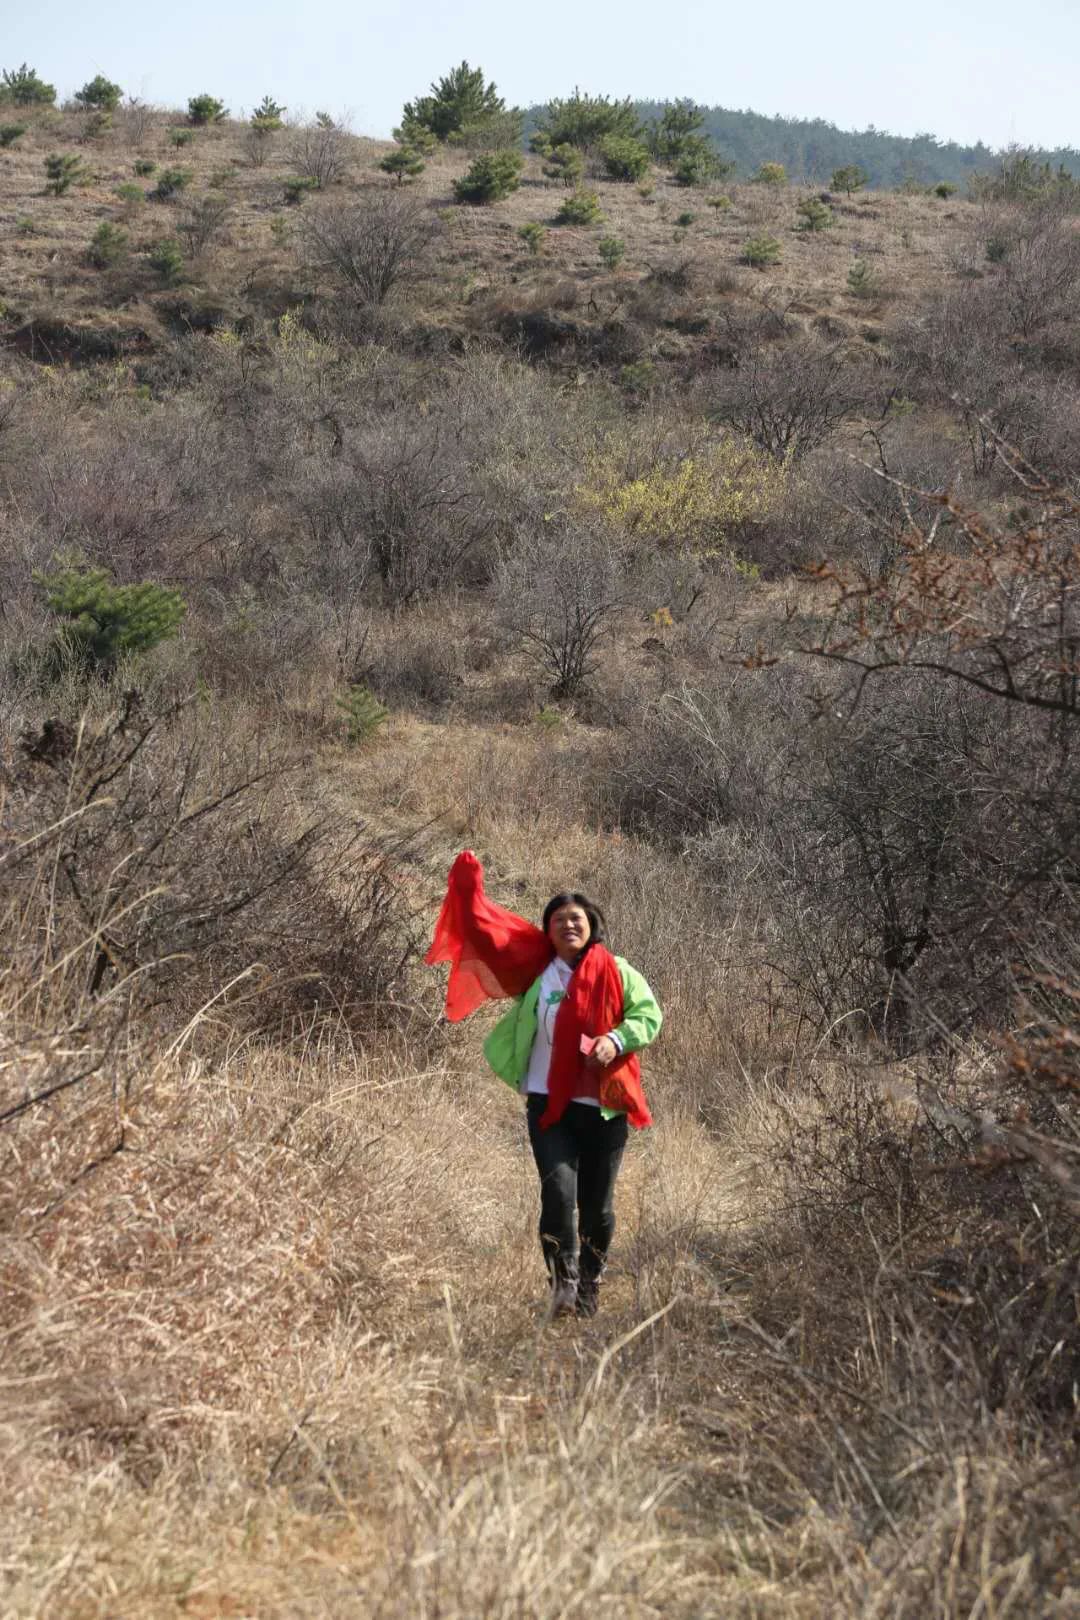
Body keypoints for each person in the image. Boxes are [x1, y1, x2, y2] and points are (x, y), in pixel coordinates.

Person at [426, 853, 662, 1319]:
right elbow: (488, 937)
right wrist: (468, 890)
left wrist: (616, 1040)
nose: (568, 926)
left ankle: (591, 1282)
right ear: (547, 932)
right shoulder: (538, 972)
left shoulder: (619, 971)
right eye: (558, 920)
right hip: (548, 1105)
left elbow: (649, 1015)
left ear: (592, 925)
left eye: (576, 919)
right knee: (557, 1193)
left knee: (597, 1208)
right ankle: (564, 1284)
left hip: (603, 1108)